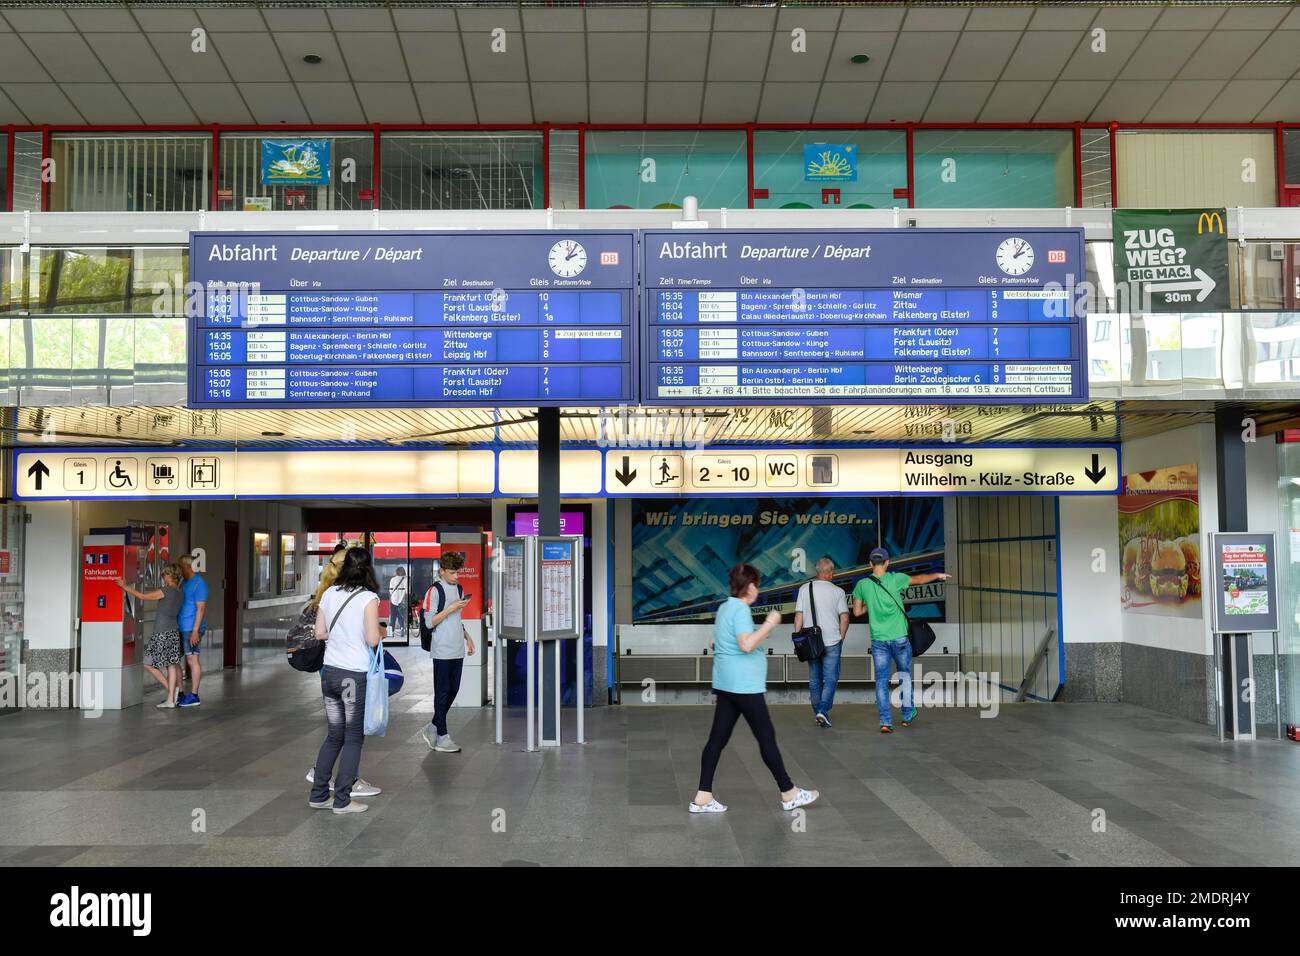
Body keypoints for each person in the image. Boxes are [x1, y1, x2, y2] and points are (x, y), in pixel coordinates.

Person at [690, 564, 819, 815]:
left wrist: (753, 634)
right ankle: (789, 793)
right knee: (765, 737)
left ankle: (703, 796)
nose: (757, 588)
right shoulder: (739, 610)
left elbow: (716, 641)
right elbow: (746, 645)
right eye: (756, 584)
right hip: (744, 686)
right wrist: (769, 624)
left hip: (726, 684)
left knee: (717, 739)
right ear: (749, 586)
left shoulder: (726, 607)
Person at [310, 546, 383, 814]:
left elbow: (320, 633)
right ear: (367, 568)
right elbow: (373, 639)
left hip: (329, 673)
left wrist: (341, 635)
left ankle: (318, 794)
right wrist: (379, 631)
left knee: (334, 735)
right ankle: (342, 799)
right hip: (352, 676)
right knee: (353, 737)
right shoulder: (368, 598)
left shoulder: (329, 593)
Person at [851, 547, 950, 733]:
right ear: (887, 563)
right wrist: (937, 575)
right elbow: (919, 579)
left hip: (879, 640)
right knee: (904, 675)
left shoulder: (862, 585)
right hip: (900, 639)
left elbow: (856, 612)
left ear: (870, 564)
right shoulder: (896, 579)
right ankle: (906, 715)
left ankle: (885, 722)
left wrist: (871, 605)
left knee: (881, 680)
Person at [419, 551, 474, 754]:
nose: (456, 577)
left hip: (457, 647)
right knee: (442, 692)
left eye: (458, 573)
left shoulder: (459, 588)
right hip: (441, 649)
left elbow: (456, 620)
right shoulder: (434, 591)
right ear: (441, 571)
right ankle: (442, 735)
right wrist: (450, 608)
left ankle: (433, 725)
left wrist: (468, 637)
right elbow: (429, 622)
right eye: (452, 573)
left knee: (453, 689)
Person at [117, 563, 184, 709]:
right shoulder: (179, 592)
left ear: (169, 576)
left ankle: (171, 693)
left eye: (164, 574)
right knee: (171, 665)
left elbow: (143, 596)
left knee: (147, 663)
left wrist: (125, 587)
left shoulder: (166, 590)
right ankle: (171, 698)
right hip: (173, 631)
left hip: (162, 632)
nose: (163, 577)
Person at [793, 557, 850, 728]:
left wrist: (798, 640)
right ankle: (823, 711)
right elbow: (845, 618)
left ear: (817, 572)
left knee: (815, 679)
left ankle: (818, 710)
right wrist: (841, 637)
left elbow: (798, 617)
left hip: (811, 641)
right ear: (831, 573)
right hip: (832, 640)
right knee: (831, 678)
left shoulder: (804, 588)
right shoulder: (838, 592)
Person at [175, 554, 207, 707]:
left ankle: (194, 695)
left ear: (187, 567)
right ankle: (179, 693)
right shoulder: (184, 582)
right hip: (181, 627)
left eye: (181, 567)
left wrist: (195, 630)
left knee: (192, 660)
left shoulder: (199, 583)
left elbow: (201, 608)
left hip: (191, 628)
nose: (179, 570)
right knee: (175, 660)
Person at [387, 566, 408, 639]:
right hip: (401, 601)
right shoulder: (406, 579)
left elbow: (390, 590)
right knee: (401, 616)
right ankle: (402, 629)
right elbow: (406, 591)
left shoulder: (393, 579)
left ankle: (391, 632)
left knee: (393, 616)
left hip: (394, 600)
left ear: (396, 572)